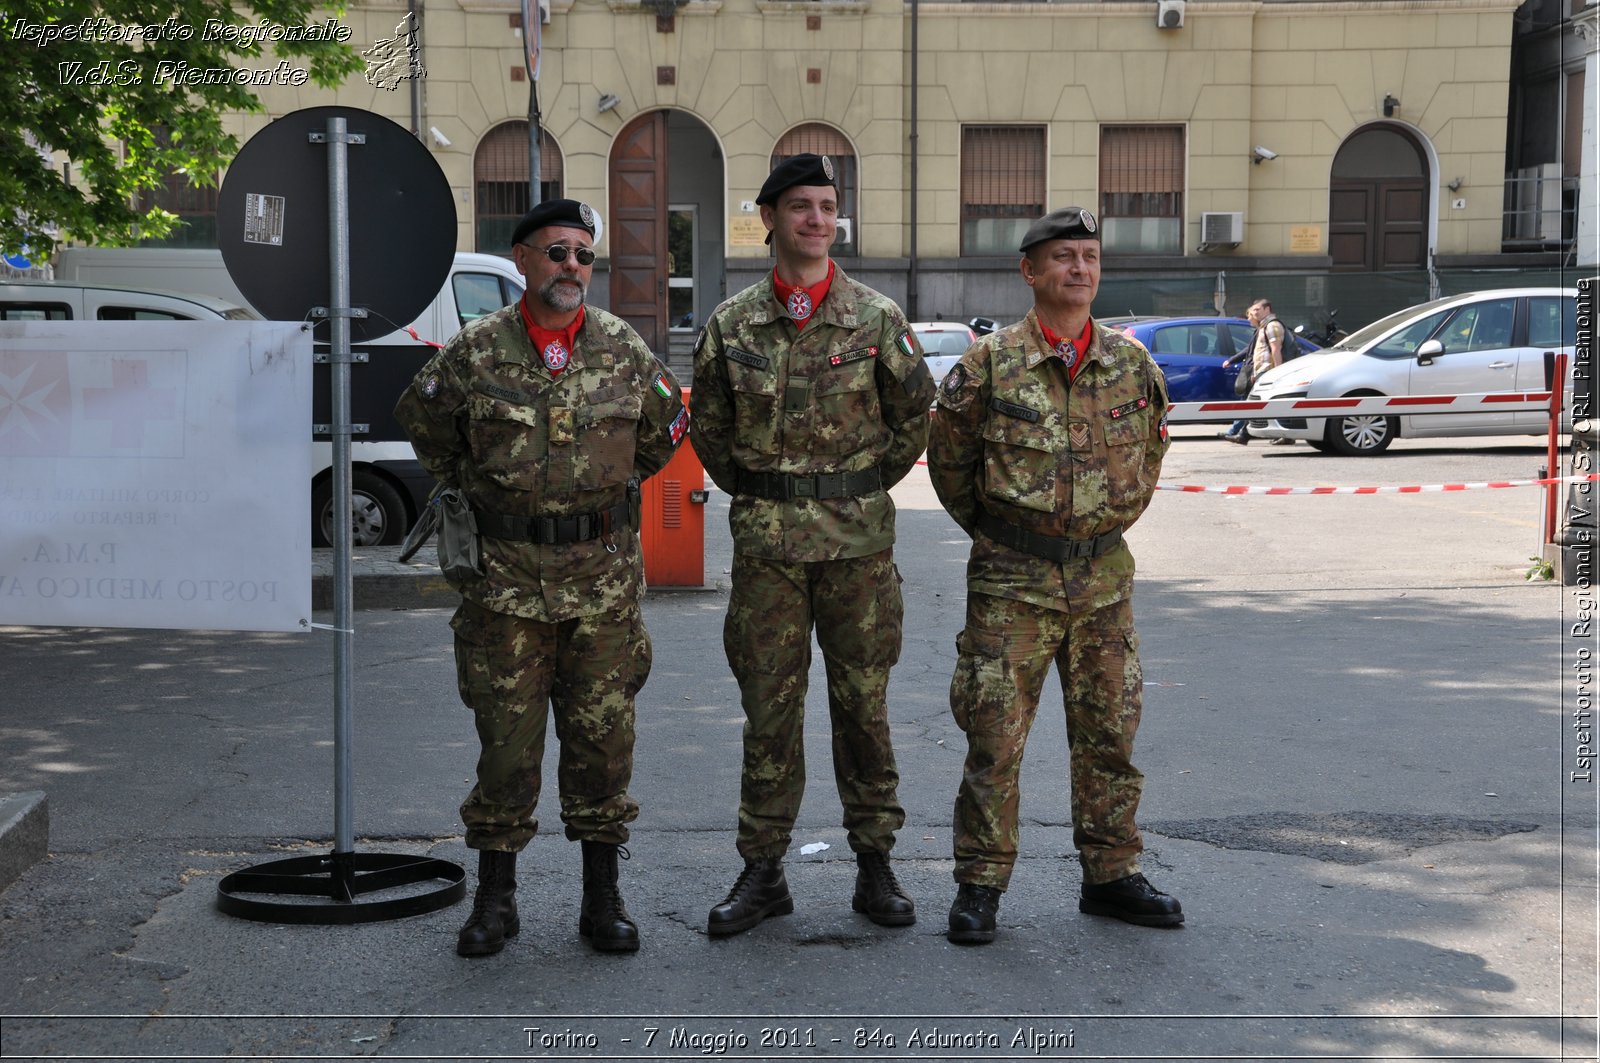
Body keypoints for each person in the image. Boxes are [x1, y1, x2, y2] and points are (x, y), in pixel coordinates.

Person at [393, 199, 689, 958]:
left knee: (602, 741)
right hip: (505, 583)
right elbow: (426, 425)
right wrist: (487, 493)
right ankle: (496, 898)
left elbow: (661, 437)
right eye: (557, 252)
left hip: (602, 582)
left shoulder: (624, 349)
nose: (573, 268)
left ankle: (602, 897)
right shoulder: (477, 351)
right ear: (522, 260)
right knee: (506, 744)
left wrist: (597, 496)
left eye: (584, 256)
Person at [690, 153, 936, 936]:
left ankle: (875, 865)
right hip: (767, 552)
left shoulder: (876, 319)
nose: (817, 219)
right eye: (801, 205)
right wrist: (775, 494)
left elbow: (913, 421)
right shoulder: (733, 324)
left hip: (857, 550)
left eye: (828, 205)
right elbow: (713, 436)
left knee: (863, 706)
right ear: (769, 218)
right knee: (770, 711)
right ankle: (763, 870)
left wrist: (850, 490)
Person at [926, 205, 1182, 945]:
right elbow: (951, 469)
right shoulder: (986, 366)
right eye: (1064, 256)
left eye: (1090, 256)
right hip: (1013, 581)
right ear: (1030, 270)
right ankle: (979, 884)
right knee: (995, 737)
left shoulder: (1131, 365)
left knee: (1110, 732)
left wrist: (1102, 526)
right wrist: (1010, 534)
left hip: (1103, 579)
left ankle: (1111, 874)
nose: (1079, 268)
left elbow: (1151, 457)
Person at [1220, 298, 1288, 445]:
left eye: (1257, 310)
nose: (1254, 313)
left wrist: (1278, 372)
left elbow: (1276, 350)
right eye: (1253, 310)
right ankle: (1284, 435)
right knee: (1265, 404)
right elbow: (1255, 352)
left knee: (1254, 403)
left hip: (1268, 372)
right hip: (1262, 371)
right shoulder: (1263, 327)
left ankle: (1243, 435)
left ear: (1267, 309)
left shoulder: (1272, 326)